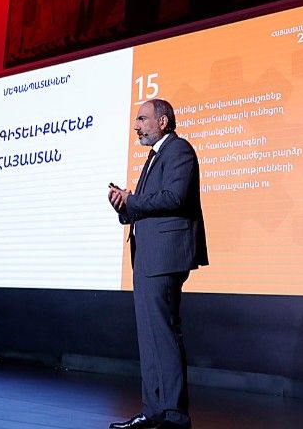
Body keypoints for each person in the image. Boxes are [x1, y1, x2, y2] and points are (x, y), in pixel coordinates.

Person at [107, 99, 208, 429]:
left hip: (166, 255)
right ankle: (153, 411)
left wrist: (132, 199)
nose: (136, 126)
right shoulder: (153, 157)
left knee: (163, 334)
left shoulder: (179, 150)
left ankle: (175, 415)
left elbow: (175, 197)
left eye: (142, 119)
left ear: (162, 122)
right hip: (148, 256)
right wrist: (124, 206)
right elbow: (145, 205)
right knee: (149, 337)